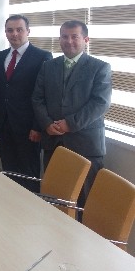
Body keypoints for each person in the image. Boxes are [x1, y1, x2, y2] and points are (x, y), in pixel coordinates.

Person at [32, 20, 111, 206]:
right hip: (53, 142)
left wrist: (70, 123)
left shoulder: (100, 67)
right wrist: (46, 123)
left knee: (83, 202)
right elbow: (37, 98)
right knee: (54, 197)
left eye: (74, 36)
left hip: (85, 145)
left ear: (86, 39)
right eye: (64, 37)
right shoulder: (48, 66)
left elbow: (100, 103)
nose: (69, 41)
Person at [0, 15, 52, 192]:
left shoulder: (42, 56)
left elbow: (44, 95)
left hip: (28, 128)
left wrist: (38, 127)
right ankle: (10, 203)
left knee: (28, 173)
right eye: (10, 30)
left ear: (28, 31)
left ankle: (30, 206)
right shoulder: (0, 56)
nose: (14, 34)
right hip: (3, 123)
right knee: (8, 170)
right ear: (5, 33)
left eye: (19, 30)